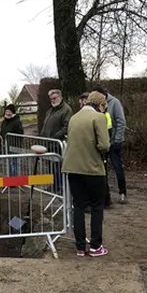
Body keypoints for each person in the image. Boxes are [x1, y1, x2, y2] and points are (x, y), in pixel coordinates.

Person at [62, 92, 110, 257]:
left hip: (72, 169)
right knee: (97, 207)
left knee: (79, 206)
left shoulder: (74, 117)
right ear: (100, 104)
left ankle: (80, 247)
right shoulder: (99, 118)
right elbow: (104, 145)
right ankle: (96, 246)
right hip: (93, 169)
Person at [93, 86, 128, 204]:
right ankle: (105, 195)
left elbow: (120, 121)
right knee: (103, 168)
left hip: (113, 142)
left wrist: (118, 139)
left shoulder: (115, 103)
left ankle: (122, 192)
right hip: (103, 142)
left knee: (117, 167)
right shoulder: (96, 104)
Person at [0, 103, 24, 176]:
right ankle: (10, 179)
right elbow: (2, 133)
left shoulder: (17, 122)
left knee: (14, 163)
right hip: (6, 145)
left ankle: (14, 180)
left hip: (14, 146)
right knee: (8, 163)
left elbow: (20, 133)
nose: (7, 113)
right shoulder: (4, 122)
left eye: (9, 111)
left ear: (13, 113)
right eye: (6, 111)